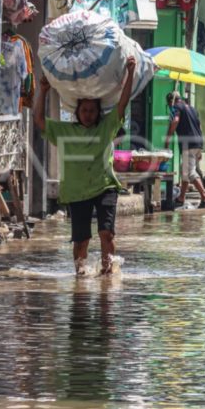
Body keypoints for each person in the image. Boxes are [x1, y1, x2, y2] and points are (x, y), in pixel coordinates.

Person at [34, 57, 137, 276]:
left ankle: (108, 277)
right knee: (81, 240)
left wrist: (130, 72)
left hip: (105, 186)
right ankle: (80, 277)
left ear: (98, 112)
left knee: (106, 233)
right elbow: (39, 120)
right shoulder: (65, 131)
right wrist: (42, 91)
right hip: (77, 191)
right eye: (84, 111)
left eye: (92, 111)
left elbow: (122, 103)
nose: (88, 115)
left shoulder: (106, 127)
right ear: (77, 113)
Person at [164, 91, 205, 208]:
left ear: (171, 102)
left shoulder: (176, 107)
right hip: (197, 143)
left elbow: (175, 121)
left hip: (188, 144)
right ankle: (181, 198)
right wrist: (200, 149)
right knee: (185, 171)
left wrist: (167, 139)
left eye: (169, 104)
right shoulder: (192, 109)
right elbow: (199, 126)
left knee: (190, 173)